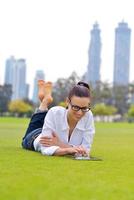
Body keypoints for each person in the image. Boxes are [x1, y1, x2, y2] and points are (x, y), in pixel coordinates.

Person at [22, 80, 95, 157]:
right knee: (25, 138)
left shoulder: (88, 115)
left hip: (49, 131)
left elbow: (85, 152)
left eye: (84, 108)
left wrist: (60, 144)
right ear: (67, 102)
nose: (80, 113)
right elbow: (45, 149)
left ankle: (44, 99)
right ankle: (45, 102)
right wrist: (69, 150)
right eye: (75, 107)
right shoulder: (55, 112)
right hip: (35, 136)